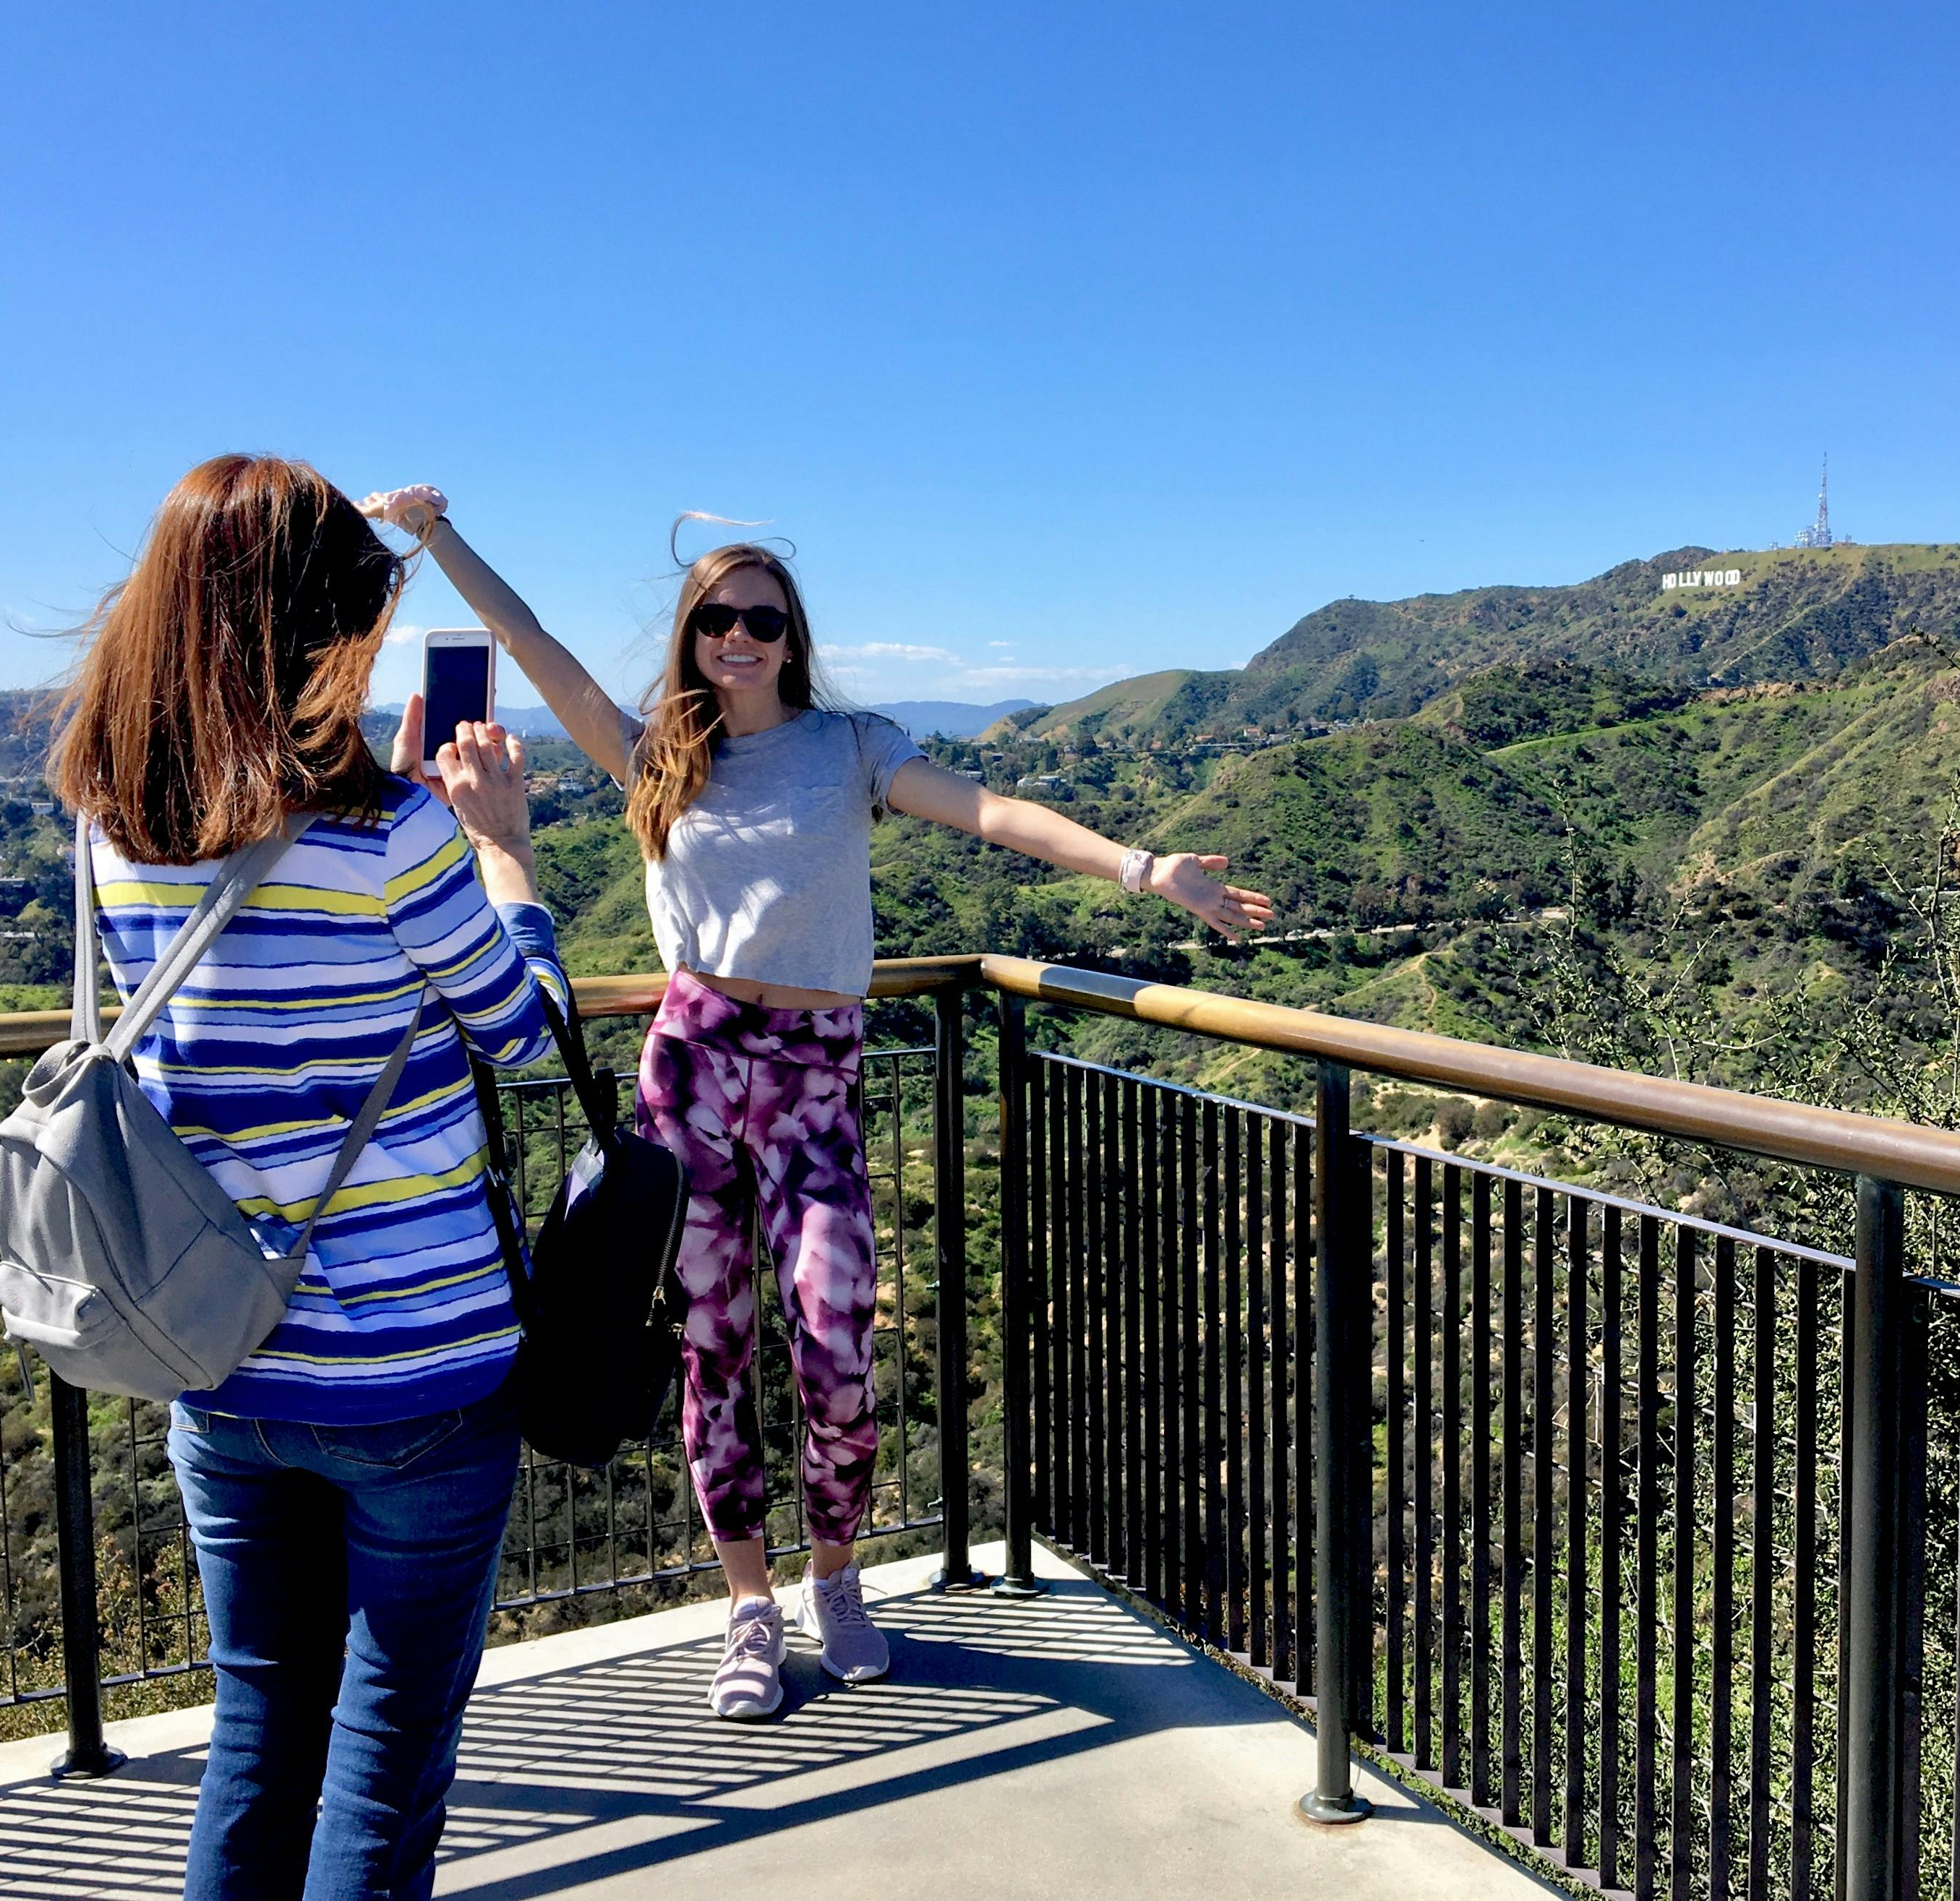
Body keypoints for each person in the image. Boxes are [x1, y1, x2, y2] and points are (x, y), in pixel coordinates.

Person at [356, 484, 1275, 1720]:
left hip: (812, 1075)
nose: (739, 637)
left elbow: (990, 811)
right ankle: (748, 1605)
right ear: (691, 634)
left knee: (838, 1343)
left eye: (763, 620)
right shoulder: (655, 756)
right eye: (717, 619)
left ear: (794, 637)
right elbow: (534, 648)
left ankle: (834, 1575)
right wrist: (440, 537)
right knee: (710, 1349)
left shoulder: (852, 748)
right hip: (690, 1066)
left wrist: (1142, 869)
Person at [48, 455, 570, 1900]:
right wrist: (503, 851)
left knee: (260, 1728)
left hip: (218, 1358)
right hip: (417, 1366)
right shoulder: (389, 834)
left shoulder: (109, 824)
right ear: (315, 626)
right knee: (388, 1742)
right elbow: (520, 1029)